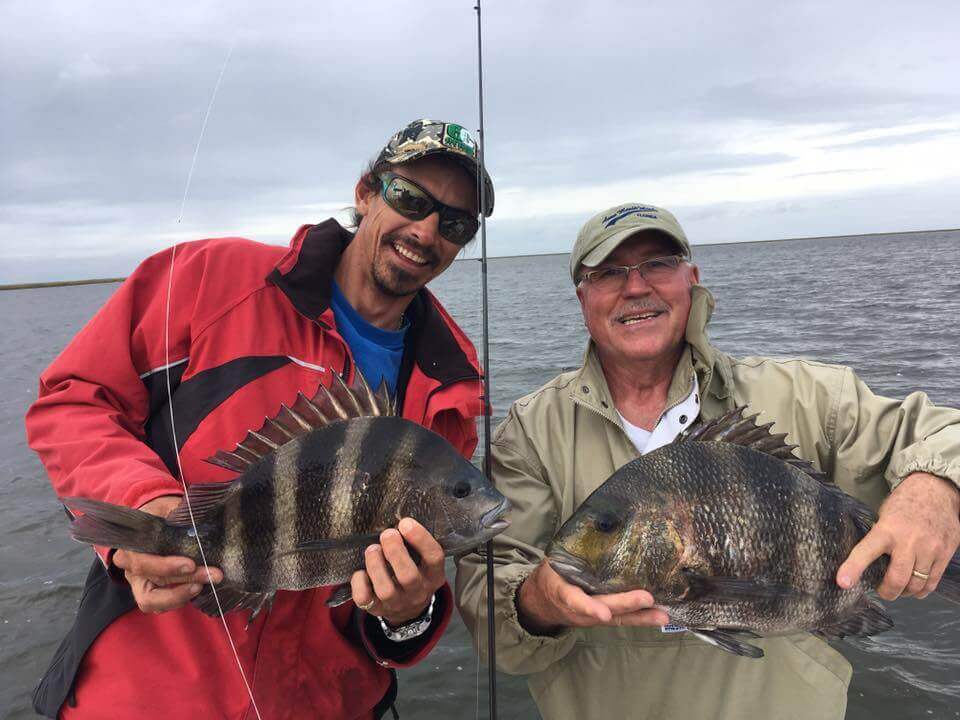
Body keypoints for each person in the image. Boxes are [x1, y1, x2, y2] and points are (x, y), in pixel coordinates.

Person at [26, 118, 495, 720]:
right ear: (365, 191)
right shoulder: (210, 279)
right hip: (143, 700)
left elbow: (380, 627)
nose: (426, 231)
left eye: (455, 223)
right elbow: (73, 396)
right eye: (409, 198)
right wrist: (142, 505)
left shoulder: (451, 383)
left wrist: (408, 615)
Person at [455, 203, 960, 720]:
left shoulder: (807, 397)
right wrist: (540, 601)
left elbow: (945, 431)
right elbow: (494, 626)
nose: (635, 287)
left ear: (690, 279)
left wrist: (934, 491)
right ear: (582, 297)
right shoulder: (530, 434)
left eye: (657, 263)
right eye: (608, 272)